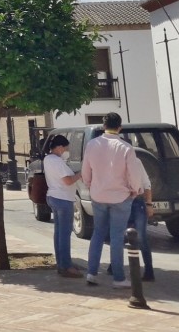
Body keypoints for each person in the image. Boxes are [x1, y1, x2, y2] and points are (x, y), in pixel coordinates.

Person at [81, 112, 142, 288]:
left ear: (103, 126)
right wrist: (135, 189)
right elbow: (134, 173)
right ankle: (118, 278)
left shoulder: (92, 144)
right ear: (120, 127)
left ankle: (91, 273)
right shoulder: (126, 148)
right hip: (120, 196)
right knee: (117, 237)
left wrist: (90, 185)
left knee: (98, 233)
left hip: (98, 195)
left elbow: (86, 171)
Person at [43, 134, 82, 277]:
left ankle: (61, 263)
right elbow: (68, 181)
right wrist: (80, 174)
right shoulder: (57, 162)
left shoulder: (48, 159)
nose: (67, 151)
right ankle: (66, 266)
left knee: (59, 233)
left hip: (54, 197)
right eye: (66, 148)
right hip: (63, 199)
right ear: (60, 147)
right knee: (65, 234)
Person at [128, 152, 155, 281]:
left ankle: (149, 271)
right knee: (118, 236)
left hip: (137, 202)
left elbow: (146, 183)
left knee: (141, 237)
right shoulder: (114, 161)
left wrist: (149, 204)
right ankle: (114, 266)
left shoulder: (137, 162)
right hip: (122, 202)